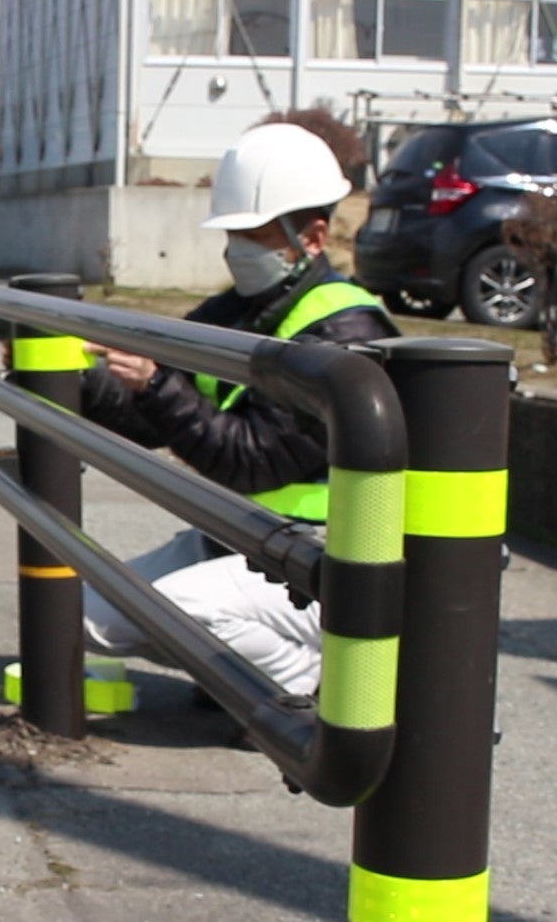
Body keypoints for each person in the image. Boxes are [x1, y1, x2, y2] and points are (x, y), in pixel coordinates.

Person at [78, 122, 398, 698]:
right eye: (234, 232)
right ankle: (243, 666)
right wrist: (79, 381)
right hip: (243, 537)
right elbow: (158, 413)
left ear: (315, 237)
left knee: (176, 612)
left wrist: (155, 386)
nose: (236, 250)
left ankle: (306, 683)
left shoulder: (346, 333)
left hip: (325, 560)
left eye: (254, 233)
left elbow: (254, 460)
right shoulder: (241, 309)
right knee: (88, 614)